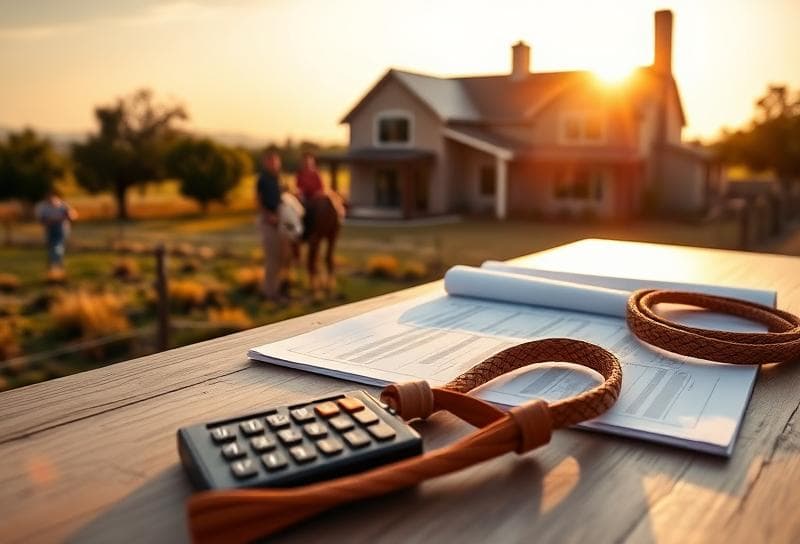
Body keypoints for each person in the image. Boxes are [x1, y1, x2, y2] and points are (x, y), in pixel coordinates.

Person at [256, 150, 288, 301]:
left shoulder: (278, 178)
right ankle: (269, 293)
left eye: (276, 161)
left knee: (281, 257)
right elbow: (258, 200)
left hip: (279, 222)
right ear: (266, 163)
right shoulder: (262, 179)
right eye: (271, 161)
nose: (274, 164)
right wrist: (268, 216)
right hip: (268, 223)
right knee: (272, 259)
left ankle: (276, 290)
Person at [34, 190, 77, 272]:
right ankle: (55, 265)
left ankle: (56, 266)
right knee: (52, 246)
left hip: (61, 228)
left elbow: (73, 215)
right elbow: (41, 219)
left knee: (57, 246)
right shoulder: (43, 206)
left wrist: (66, 216)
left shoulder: (63, 205)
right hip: (50, 229)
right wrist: (52, 221)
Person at [295, 152, 324, 239]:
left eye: (309, 161)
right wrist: (300, 193)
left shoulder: (316, 174)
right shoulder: (300, 174)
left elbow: (321, 188)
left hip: (314, 199)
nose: (307, 163)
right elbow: (298, 187)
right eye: (305, 161)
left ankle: (313, 231)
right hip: (304, 198)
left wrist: (316, 194)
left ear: (312, 162)